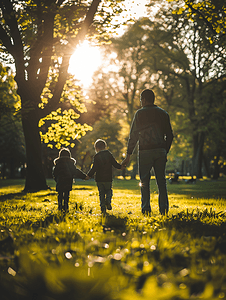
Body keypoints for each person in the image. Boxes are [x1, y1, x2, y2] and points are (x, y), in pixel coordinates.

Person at [122, 89, 174, 216]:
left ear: (144, 99)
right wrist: (164, 150)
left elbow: (133, 136)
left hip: (145, 151)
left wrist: (128, 155)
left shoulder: (139, 114)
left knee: (144, 181)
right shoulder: (163, 113)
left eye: (141, 99)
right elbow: (170, 135)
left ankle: (146, 209)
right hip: (160, 151)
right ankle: (164, 210)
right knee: (161, 181)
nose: (140, 102)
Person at [86, 139, 122, 214]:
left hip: (99, 179)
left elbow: (94, 168)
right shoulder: (109, 154)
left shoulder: (97, 156)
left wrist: (88, 175)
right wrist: (121, 167)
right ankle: (108, 201)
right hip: (108, 178)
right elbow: (115, 164)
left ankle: (103, 209)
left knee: (101, 193)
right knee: (109, 191)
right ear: (105, 146)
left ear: (96, 148)